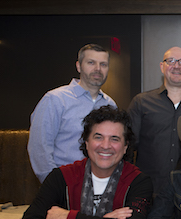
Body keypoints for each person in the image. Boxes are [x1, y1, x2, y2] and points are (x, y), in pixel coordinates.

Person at [18, 106, 152, 219]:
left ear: (125, 147)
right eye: (98, 137)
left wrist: (67, 218)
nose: (105, 145)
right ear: (87, 143)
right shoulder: (61, 177)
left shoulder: (139, 182)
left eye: (115, 139)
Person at [28, 43, 117, 183]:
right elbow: (40, 148)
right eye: (91, 63)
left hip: (101, 187)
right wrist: (54, 186)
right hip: (64, 185)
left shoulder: (110, 104)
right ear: (78, 66)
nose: (97, 69)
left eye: (103, 64)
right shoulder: (55, 99)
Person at [128, 46, 181, 194]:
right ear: (162, 66)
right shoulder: (141, 102)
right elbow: (128, 146)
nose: (176, 66)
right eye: (171, 61)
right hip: (148, 189)